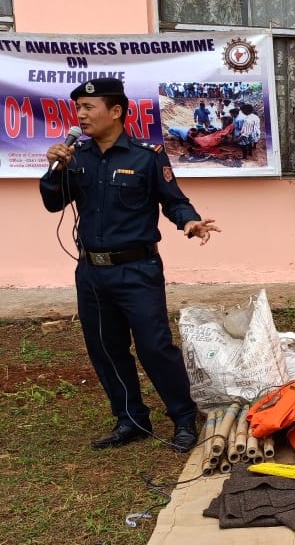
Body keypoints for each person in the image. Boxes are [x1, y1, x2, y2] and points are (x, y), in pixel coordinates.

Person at [39, 77, 221, 452]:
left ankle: (184, 419)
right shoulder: (78, 157)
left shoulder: (146, 155)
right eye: (78, 109)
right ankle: (131, 419)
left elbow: (173, 200)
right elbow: (53, 203)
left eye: (89, 108)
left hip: (136, 271)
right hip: (91, 271)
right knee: (105, 347)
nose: (81, 115)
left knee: (154, 347)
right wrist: (54, 170)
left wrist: (190, 221)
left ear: (116, 111)